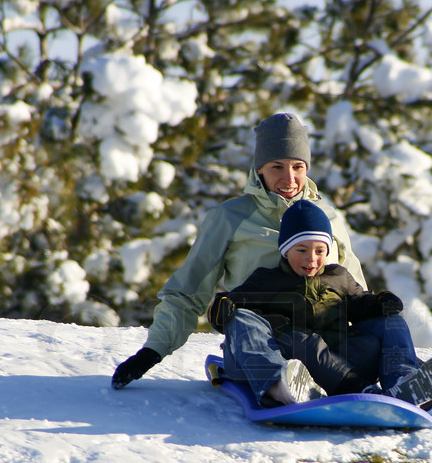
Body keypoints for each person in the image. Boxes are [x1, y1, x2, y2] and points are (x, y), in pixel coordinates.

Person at [112, 113, 367, 390]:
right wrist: (152, 352)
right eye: (277, 167)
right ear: (260, 169)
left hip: (326, 356)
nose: (289, 178)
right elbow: (188, 290)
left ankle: (396, 382)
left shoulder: (327, 218)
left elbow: (355, 289)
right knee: (245, 320)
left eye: (298, 167)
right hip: (258, 348)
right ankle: (281, 387)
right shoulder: (231, 218)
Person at [208, 199, 432, 408]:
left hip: (344, 357)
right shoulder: (267, 279)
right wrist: (222, 307)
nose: (311, 259)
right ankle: (300, 388)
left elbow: (361, 304)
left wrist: (379, 304)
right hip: (298, 364)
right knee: (303, 340)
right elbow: (234, 306)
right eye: (302, 250)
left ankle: (403, 380)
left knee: (392, 324)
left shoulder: (338, 276)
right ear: (286, 250)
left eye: (319, 250)